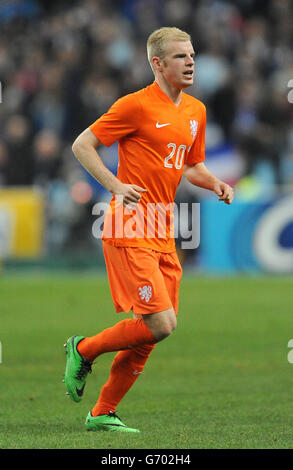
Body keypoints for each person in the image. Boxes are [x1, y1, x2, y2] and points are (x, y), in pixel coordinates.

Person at [64, 26, 234, 433]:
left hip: (163, 228)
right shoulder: (134, 106)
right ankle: (82, 349)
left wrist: (215, 183)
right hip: (129, 225)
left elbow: (191, 166)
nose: (190, 62)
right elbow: (82, 144)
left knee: (151, 333)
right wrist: (115, 185)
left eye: (192, 54)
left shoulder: (195, 111)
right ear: (157, 64)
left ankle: (102, 413)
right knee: (161, 323)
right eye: (180, 56)